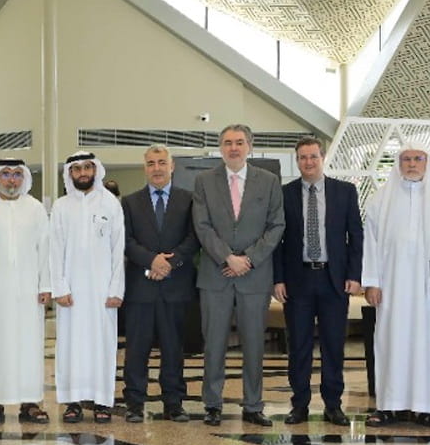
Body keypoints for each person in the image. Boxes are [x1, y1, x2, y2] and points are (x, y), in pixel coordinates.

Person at [191, 124, 285, 426]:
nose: (234, 148)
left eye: (239, 142)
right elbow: (202, 225)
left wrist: (249, 259)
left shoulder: (269, 181)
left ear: (249, 146)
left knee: (254, 344)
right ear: (221, 148)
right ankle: (212, 404)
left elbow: (276, 225)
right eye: (228, 142)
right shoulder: (204, 181)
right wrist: (228, 257)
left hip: (254, 277)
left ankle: (253, 405)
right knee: (214, 343)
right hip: (215, 275)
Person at [361, 149, 430, 428]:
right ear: (398, 163)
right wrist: (372, 282)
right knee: (389, 342)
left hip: (428, 287)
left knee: (426, 343)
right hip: (391, 285)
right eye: (406, 159)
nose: (412, 164)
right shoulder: (380, 199)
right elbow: (370, 244)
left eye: (418, 159)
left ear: (427, 163)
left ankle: (426, 407)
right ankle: (387, 406)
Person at [273, 137, 363, 426]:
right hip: (297, 280)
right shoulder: (284, 194)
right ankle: (299, 405)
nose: (308, 162)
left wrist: (354, 275)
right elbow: (277, 240)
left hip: (333, 279)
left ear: (322, 158)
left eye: (313, 156)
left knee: (333, 345)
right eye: (303, 157)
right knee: (298, 345)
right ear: (297, 160)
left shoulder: (345, 191)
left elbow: (355, 236)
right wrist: (278, 279)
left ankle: (333, 405)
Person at [0, 158, 54, 424]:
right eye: (6, 174)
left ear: (24, 178)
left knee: (29, 345)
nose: (11, 179)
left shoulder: (35, 208)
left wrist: (45, 285)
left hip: (29, 291)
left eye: (17, 174)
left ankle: (31, 402)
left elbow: (45, 250)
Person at [120, 144, 198, 423]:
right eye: (151, 163)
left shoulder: (189, 200)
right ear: (145, 168)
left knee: (173, 348)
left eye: (162, 162)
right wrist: (151, 261)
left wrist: (169, 263)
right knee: (136, 349)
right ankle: (134, 402)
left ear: (172, 166)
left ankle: (173, 403)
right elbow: (126, 241)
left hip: (176, 287)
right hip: (140, 288)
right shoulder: (129, 202)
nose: (157, 168)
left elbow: (194, 238)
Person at [51, 151, 125, 422]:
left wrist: (116, 289)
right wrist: (59, 286)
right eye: (77, 168)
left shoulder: (110, 203)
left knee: (102, 345)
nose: (82, 173)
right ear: (70, 173)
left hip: (102, 291)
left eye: (87, 168)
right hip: (70, 291)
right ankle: (73, 402)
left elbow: (118, 248)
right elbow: (55, 249)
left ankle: (102, 401)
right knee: (70, 346)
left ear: (95, 170)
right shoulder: (61, 206)